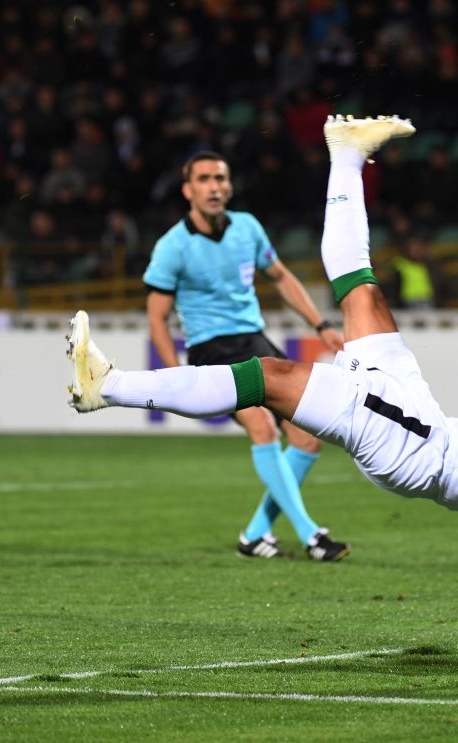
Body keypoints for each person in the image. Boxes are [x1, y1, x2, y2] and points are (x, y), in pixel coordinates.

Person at [66, 115, 458, 696]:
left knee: (272, 377)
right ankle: (348, 152)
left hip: (418, 449)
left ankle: (108, 386)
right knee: (361, 292)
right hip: (422, 416)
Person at [142, 151, 350, 562]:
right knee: (262, 427)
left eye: (220, 178)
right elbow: (157, 318)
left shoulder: (248, 228)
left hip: (256, 344)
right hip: (211, 350)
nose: (214, 186)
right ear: (188, 190)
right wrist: (173, 376)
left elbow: (281, 278)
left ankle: (255, 535)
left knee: (308, 437)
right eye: (203, 179)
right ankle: (311, 535)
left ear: (230, 186)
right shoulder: (172, 246)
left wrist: (321, 325)